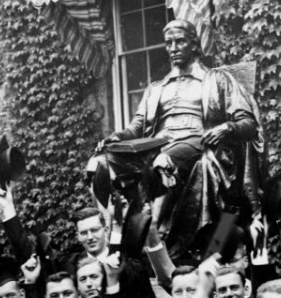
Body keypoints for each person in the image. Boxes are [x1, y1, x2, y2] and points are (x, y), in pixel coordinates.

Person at [91, 19, 263, 253]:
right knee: (99, 164)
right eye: (169, 43)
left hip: (196, 142)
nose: (173, 48)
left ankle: (154, 236)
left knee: (163, 162)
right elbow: (136, 127)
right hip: (155, 145)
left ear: (194, 45)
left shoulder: (217, 79)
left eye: (180, 41)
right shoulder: (156, 88)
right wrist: (117, 137)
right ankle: (111, 232)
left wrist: (226, 128)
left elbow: (248, 123)